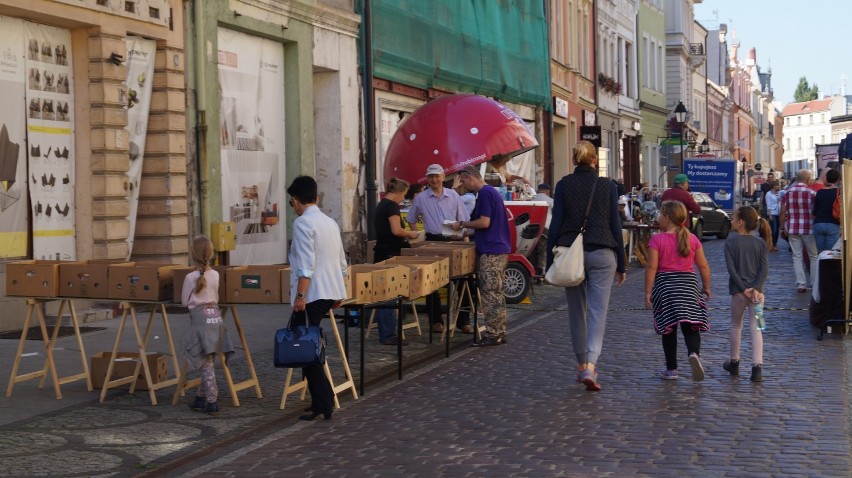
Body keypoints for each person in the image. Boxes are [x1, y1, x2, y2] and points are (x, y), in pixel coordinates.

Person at [547, 141, 626, 391]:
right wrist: (622, 264)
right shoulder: (607, 186)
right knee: (597, 312)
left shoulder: (563, 185)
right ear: (595, 161)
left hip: (571, 254)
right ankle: (591, 365)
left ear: (573, 160)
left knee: (576, 312)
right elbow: (615, 224)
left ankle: (582, 365)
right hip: (602, 253)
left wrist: (550, 262)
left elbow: (556, 224)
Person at [287, 176, 348, 421]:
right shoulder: (329, 221)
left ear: (295, 200)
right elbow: (341, 260)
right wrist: (339, 289)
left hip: (312, 293)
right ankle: (321, 400)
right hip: (329, 290)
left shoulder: (303, 224)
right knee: (308, 347)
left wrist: (300, 295)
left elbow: (305, 264)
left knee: (305, 350)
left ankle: (324, 402)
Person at [645, 201, 711, 382]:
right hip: (688, 285)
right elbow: (703, 266)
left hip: (665, 286)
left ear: (667, 218)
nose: (658, 218)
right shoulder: (692, 239)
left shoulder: (657, 240)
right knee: (690, 325)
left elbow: (651, 268)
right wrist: (706, 286)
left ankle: (671, 369)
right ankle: (693, 354)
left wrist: (648, 292)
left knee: (669, 328)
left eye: (660, 215)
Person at [406, 164, 472, 334]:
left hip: (453, 240)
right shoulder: (421, 198)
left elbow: (464, 219)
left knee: (463, 280)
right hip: (432, 241)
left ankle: (463, 320)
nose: (434, 180)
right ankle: (436, 321)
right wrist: (417, 236)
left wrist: (464, 239)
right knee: (431, 281)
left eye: (437, 176)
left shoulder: (454, 195)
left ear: (443, 177)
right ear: (427, 179)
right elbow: (411, 218)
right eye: (430, 177)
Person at [451, 165, 511, 346]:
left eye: (463, 180)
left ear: (470, 177)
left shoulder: (484, 193)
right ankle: (499, 331)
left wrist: (462, 224)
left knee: (490, 293)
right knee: (497, 293)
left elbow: (484, 222)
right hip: (498, 249)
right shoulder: (490, 192)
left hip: (491, 251)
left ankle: (493, 334)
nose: (463, 184)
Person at [181, 235, 235, 416]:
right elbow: (216, 297)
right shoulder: (215, 274)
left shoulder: (190, 277)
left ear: (193, 254)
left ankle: (212, 400)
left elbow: (183, 301)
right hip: (216, 319)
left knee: (206, 362)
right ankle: (200, 397)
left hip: (200, 323)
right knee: (209, 358)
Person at [723, 206, 772, 383]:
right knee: (758, 328)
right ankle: (757, 367)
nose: (732, 220)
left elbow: (732, 270)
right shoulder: (760, 243)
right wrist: (756, 288)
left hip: (738, 293)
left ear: (740, 222)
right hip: (758, 295)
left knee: (736, 326)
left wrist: (743, 288)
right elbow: (764, 269)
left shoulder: (730, 243)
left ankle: (734, 362)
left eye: (734, 217)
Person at [374, 177, 420, 345]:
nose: (403, 199)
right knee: (389, 294)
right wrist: (411, 234)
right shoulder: (392, 206)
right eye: (404, 195)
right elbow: (396, 230)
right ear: (399, 192)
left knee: (382, 294)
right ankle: (388, 334)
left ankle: (386, 331)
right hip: (390, 253)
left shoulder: (381, 205)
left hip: (381, 252)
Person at [780, 169, 818, 293]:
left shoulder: (788, 192)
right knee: (813, 256)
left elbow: (782, 211)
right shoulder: (812, 193)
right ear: (807, 179)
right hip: (808, 228)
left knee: (797, 256)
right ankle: (814, 282)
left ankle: (801, 284)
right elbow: (815, 213)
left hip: (792, 227)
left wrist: (782, 227)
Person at [812, 169, 841, 252]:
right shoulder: (839, 192)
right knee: (831, 253)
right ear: (837, 179)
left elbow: (815, 211)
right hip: (833, 224)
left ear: (826, 178)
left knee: (819, 252)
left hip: (819, 223)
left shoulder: (820, 192)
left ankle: (819, 265)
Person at [532, 183, 554, 276]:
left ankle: (533, 270)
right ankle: (542, 271)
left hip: (533, 227)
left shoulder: (532, 199)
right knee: (544, 250)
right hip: (546, 227)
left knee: (533, 249)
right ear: (548, 191)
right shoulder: (550, 200)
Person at [764, 181, 781, 251]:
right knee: (773, 229)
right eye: (777, 185)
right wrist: (769, 215)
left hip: (778, 213)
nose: (778, 186)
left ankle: (775, 244)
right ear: (773, 186)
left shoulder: (778, 193)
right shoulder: (769, 194)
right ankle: (771, 244)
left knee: (777, 230)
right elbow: (768, 204)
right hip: (772, 213)